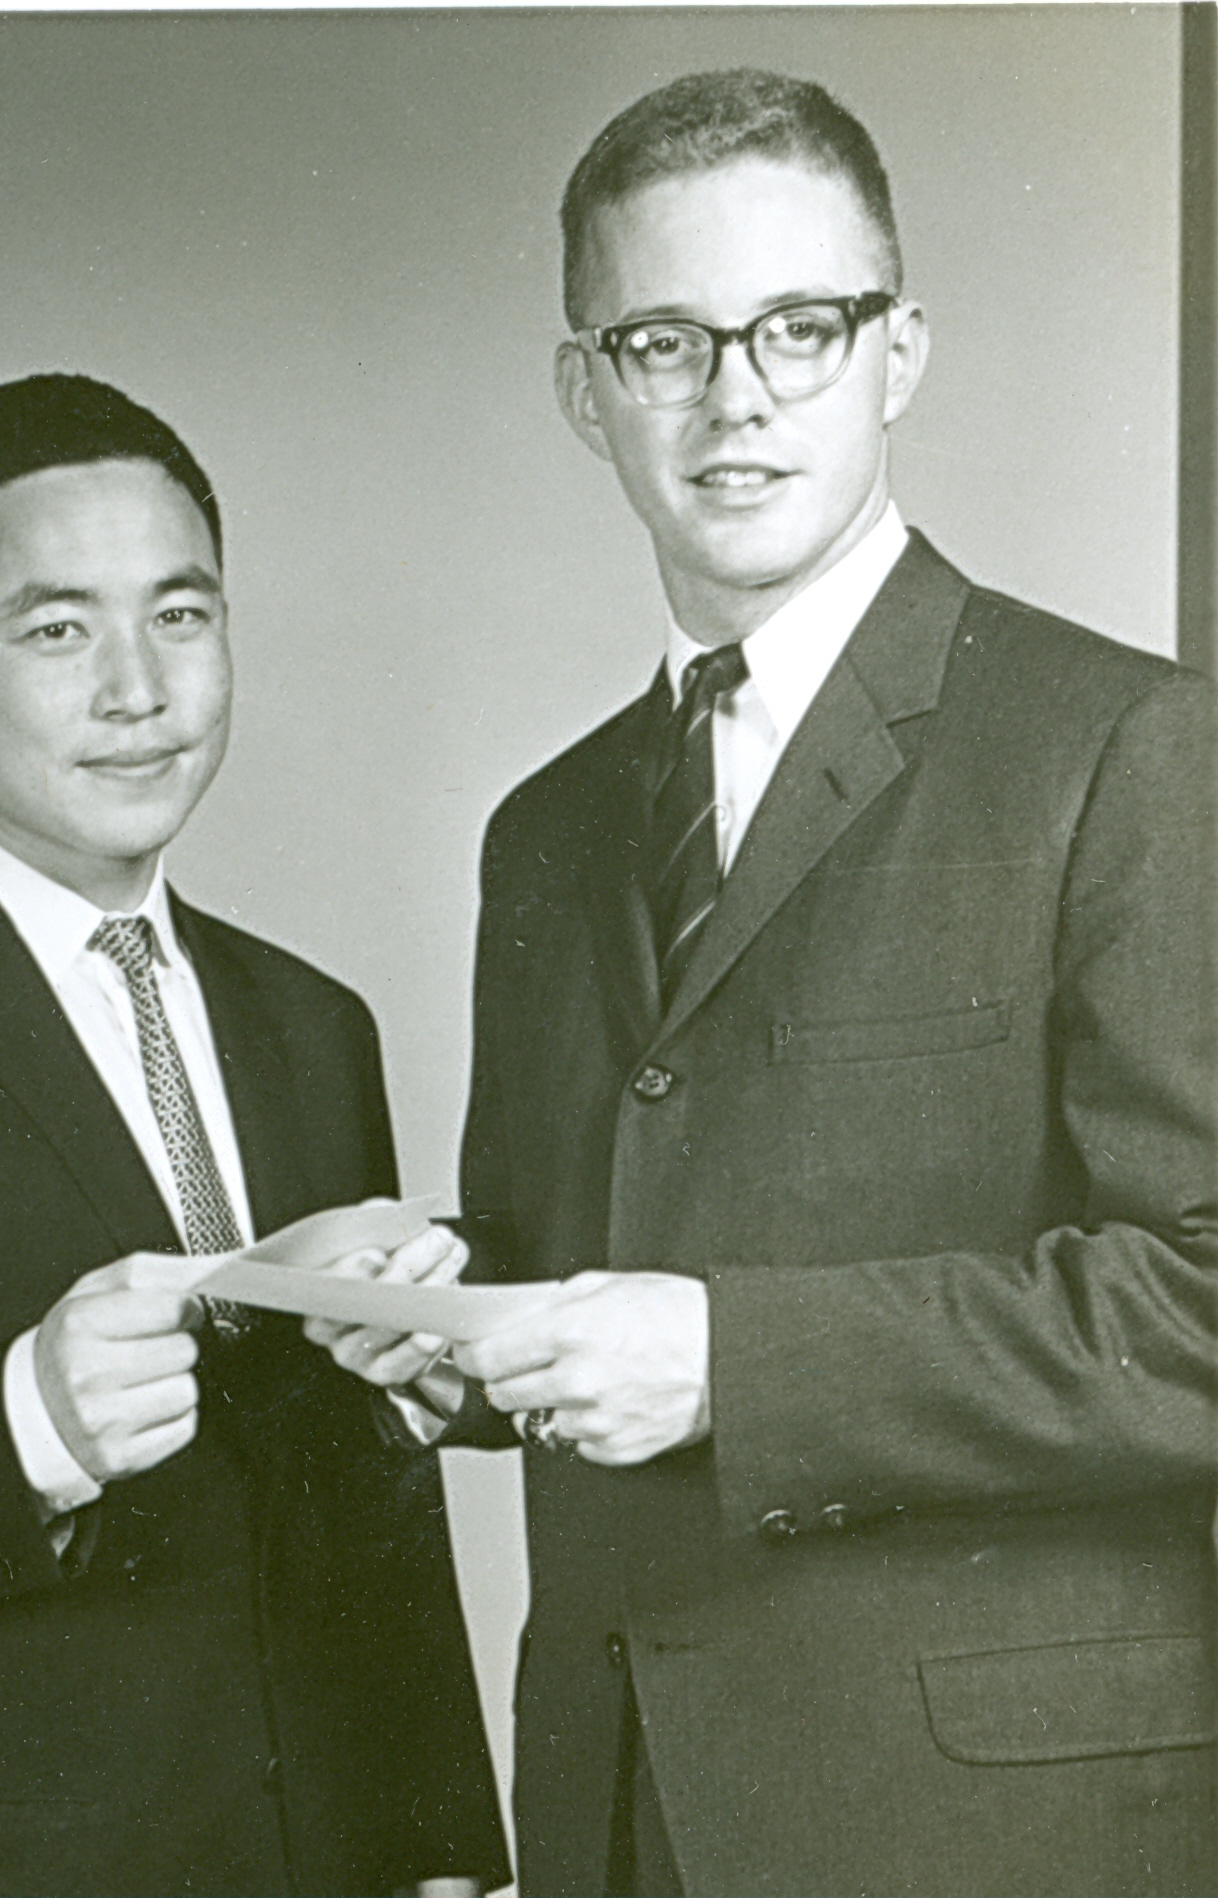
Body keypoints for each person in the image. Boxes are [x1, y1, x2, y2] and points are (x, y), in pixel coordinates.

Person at [389, 67, 1212, 1898]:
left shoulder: (1127, 749)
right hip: (624, 1806)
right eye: (665, 340)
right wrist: (439, 1324)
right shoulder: (543, 832)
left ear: (897, 350)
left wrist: (731, 1363)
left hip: (998, 1829)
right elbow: (588, 1257)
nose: (736, 394)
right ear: (581, 389)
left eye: (800, 327)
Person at [0, 373, 509, 1898]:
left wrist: (439, 1849)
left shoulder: (313, 1024)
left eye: (181, 617)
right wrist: (26, 1427)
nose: (139, 688)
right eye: (57, 630)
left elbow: (371, 1501)